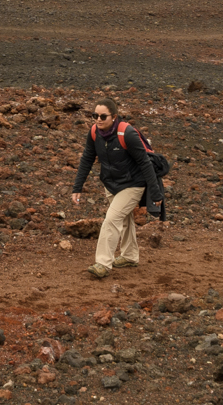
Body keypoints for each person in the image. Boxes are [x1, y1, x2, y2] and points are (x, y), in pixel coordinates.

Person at [71, 98, 166, 279]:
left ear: (114, 117)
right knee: (123, 219)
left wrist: (155, 192)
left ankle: (103, 264)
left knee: (112, 219)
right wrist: (77, 187)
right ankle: (129, 256)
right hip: (111, 184)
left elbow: (145, 164)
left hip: (133, 184)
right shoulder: (94, 133)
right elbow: (86, 159)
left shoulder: (127, 134)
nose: (98, 119)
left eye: (103, 116)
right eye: (95, 115)